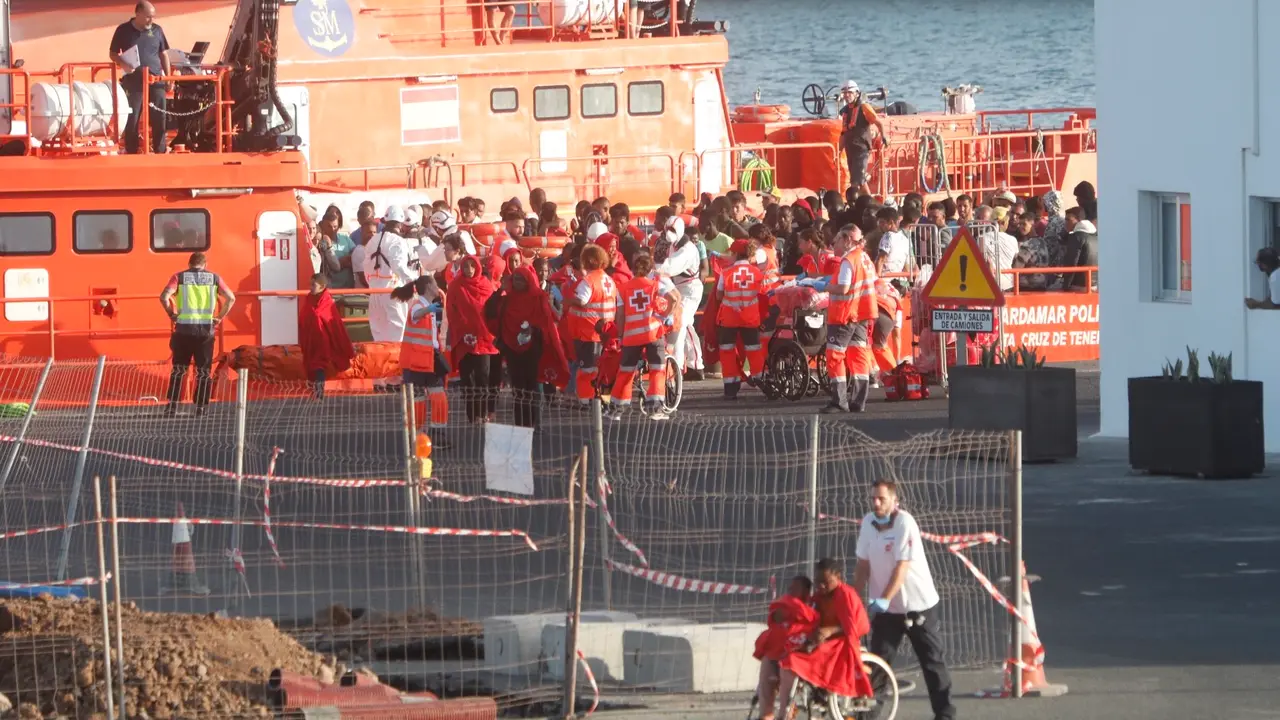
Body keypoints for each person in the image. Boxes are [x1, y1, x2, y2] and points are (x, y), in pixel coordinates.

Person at [854, 479, 955, 720]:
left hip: (917, 606)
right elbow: (862, 565)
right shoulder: (868, 523)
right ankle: (867, 716)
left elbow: (902, 568)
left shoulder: (904, 523)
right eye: (873, 499)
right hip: (887, 612)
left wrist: (885, 598)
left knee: (931, 663)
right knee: (878, 664)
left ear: (894, 501)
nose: (876, 503)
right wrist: (854, 597)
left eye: (882, 499)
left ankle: (945, 715)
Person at [778, 559, 874, 712]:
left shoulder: (845, 594)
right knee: (794, 650)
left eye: (826, 582)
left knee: (800, 659)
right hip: (828, 637)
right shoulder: (819, 596)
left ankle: (788, 709)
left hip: (845, 638)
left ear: (838, 577)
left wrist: (829, 631)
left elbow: (852, 627)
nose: (821, 586)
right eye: (817, 582)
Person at [489, 266, 570, 427]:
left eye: (521, 280)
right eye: (516, 280)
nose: (518, 283)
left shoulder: (538, 297)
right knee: (518, 388)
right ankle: (520, 424)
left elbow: (546, 322)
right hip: (512, 349)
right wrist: (499, 292)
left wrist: (532, 330)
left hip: (533, 349)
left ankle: (534, 423)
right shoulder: (507, 299)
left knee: (532, 386)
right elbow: (490, 312)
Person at [158, 252, 234, 416]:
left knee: (179, 369)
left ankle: (172, 406)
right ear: (205, 264)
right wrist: (219, 318)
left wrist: (171, 314)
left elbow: (164, 297)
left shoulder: (179, 277)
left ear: (189, 263)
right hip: (206, 331)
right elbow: (231, 298)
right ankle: (201, 407)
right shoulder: (214, 278)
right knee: (204, 370)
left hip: (183, 330)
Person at [608, 252, 681, 420]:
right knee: (657, 370)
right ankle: (655, 409)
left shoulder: (623, 289)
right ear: (650, 269)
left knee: (625, 372)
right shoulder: (655, 285)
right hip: (652, 333)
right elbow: (674, 299)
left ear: (633, 269)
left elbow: (620, 315)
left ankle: (616, 409)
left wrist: (620, 336)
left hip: (631, 336)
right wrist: (664, 316)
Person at [362, 206, 418, 392]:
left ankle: (378, 378)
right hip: (393, 291)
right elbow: (399, 266)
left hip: (375, 292)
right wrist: (416, 281)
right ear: (400, 224)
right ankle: (394, 377)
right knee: (397, 334)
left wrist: (373, 285)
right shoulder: (398, 242)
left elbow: (366, 269)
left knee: (378, 334)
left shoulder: (372, 241)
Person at [824, 225, 877, 414]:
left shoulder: (848, 260)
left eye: (837, 239)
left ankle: (839, 402)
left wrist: (823, 286)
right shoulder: (865, 258)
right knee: (859, 356)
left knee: (835, 355)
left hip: (845, 315)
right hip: (862, 314)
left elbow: (844, 288)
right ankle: (858, 401)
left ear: (847, 240)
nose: (834, 244)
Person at [394, 275, 450, 446]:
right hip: (418, 362)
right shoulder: (418, 305)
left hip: (428, 359)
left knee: (437, 396)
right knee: (420, 399)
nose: (437, 287)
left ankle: (433, 434)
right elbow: (416, 315)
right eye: (434, 284)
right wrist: (429, 309)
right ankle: (420, 437)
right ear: (427, 287)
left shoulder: (426, 306)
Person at [753, 576, 819, 720]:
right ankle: (765, 714)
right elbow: (775, 618)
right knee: (767, 664)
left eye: (795, 588)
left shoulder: (813, 608)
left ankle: (785, 714)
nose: (791, 591)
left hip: (800, 653)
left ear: (806, 591)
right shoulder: (784, 604)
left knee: (787, 668)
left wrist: (794, 611)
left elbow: (813, 627)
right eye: (790, 588)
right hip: (779, 649)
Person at [110, 1, 170, 154]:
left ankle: (160, 150)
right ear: (138, 14)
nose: (151, 20)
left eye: (153, 17)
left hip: (156, 81)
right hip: (134, 82)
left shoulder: (157, 30)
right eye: (148, 17)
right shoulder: (123, 30)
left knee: (159, 117)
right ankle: (132, 150)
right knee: (133, 117)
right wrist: (124, 63)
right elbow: (113, 53)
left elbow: (164, 54)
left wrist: (168, 78)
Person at [446, 256, 500, 423]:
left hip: (484, 339)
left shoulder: (486, 285)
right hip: (464, 339)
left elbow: (492, 311)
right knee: (467, 378)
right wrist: (462, 330)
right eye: (466, 266)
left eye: (472, 266)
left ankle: (483, 413)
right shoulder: (456, 286)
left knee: (483, 376)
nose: (469, 269)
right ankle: (472, 415)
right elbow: (451, 311)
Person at [715, 239, 768, 399]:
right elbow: (763, 294)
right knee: (753, 350)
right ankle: (760, 380)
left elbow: (719, 295)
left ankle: (731, 388)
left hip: (729, 318)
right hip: (750, 318)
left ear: (736, 254)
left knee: (727, 351)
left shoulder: (726, 272)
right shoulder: (757, 273)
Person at [567, 244, 619, 406]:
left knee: (587, 369)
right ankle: (602, 399)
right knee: (602, 368)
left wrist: (568, 299)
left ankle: (586, 399)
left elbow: (582, 300)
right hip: (605, 331)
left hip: (588, 332)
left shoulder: (588, 281)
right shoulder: (608, 280)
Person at [657, 217, 706, 381]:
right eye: (667, 230)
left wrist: (651, 267)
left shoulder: (687, 250)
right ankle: (695, 364)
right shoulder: (674, 245)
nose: (668, 234)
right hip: (678, 287)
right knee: (686, 324)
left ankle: (677, 366)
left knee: (679, 324)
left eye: (672, 230)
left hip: (690, 289)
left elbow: (670, 267)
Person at [299, 273, 355, 400]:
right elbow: (304, 317)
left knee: (319, 365)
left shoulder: (327, 302)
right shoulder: (309, 299)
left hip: (323, 340)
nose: (311, 287)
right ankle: (315, 392)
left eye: (314, 285)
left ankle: (319, 394)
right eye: (310, 284)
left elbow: (334, 323)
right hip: (310, 339)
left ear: (322, 286)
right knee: (310, 364)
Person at [837, 81, 888, 196]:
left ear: (857, 93)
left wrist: (884, 135)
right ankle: (862, 202)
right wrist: (839, 151)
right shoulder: (845, 111)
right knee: (856, 179)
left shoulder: (864, 107)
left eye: (849, 92)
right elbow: (843, 133)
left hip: (862, 149)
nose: (847, 95)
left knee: (859, 179)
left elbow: (878, 122)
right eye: (845, 93)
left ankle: (867, 202)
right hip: (850, 149)